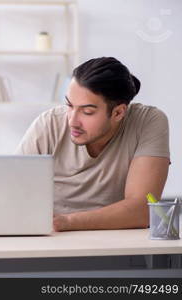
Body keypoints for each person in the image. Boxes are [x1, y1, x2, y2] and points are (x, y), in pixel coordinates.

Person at [16, 57, 170, 232]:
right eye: (69, 105)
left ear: (119, 112)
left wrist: (66, 222)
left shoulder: (148, 122)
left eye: (87, 112)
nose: (72, 121)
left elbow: (141, 210)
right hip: (50, 239)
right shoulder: (48, 124)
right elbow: (11, 192)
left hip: (114, 242)